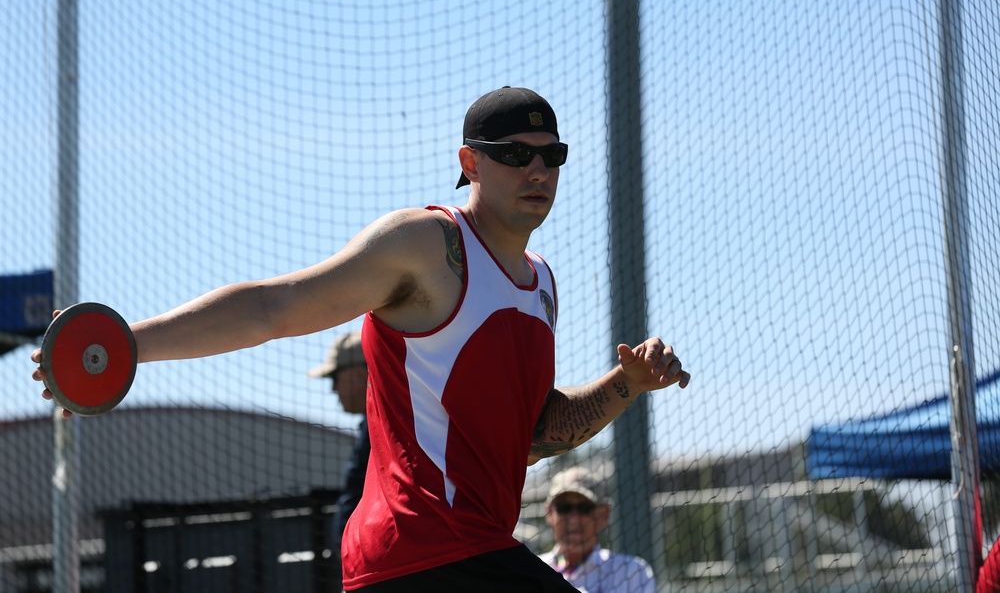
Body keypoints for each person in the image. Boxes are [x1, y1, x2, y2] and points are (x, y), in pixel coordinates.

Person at [32, 86, 690, 591]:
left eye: (552, 156)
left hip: (466, 552)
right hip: (420, 550)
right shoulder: (426, 244)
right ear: (470, 163)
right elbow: (275, 306)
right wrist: (129, 344)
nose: (537, 169)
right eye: (515, 154)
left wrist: (626, 384)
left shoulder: (541, 284)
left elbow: (537, 434)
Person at [307, 331, 371, 567]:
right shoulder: (377, 423)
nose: (333, 389)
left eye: (334, 378)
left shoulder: (386, 426)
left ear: (357, 374)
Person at [538, 467, 657, 593]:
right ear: (550, 513)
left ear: (604, 514)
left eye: (585, 508)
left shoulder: (632, 572)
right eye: (564, 508)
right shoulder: (531, 570)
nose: (574, 519)